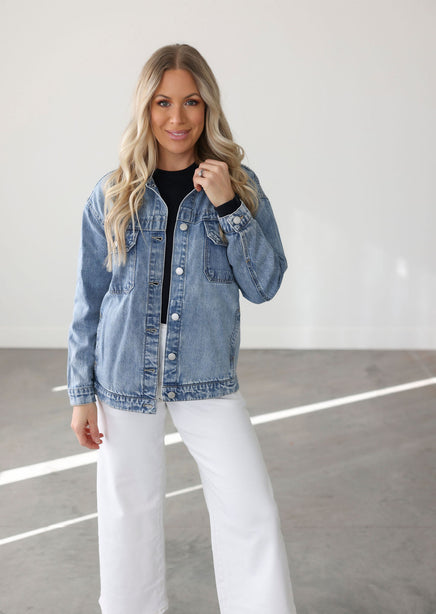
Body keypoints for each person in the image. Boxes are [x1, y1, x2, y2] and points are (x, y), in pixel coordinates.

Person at [68, 43, 297, 614]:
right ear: (145, 109)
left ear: (208, 106)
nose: (177, 117)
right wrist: (81, 393)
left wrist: (228, 207)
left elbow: (265, 284)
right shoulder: (112, 192)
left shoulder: (237, 184)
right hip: (123, 374)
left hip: (206, 371)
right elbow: (90, 300)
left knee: (250, 510)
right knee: (129, 512)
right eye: (163, 102)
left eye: (191, 101)